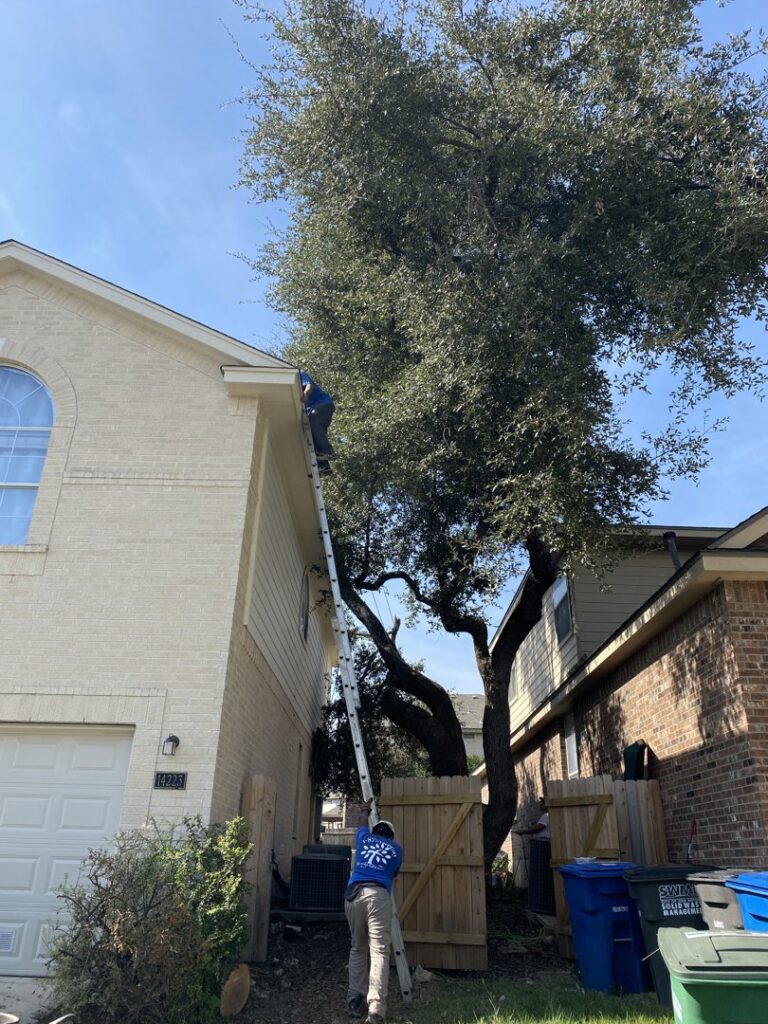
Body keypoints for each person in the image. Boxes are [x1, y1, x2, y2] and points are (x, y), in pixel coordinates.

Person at [344, 804, 403, 1022]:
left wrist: (365, 811)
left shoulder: (363, 838)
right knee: (378, 951)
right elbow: (394, 873)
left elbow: (360, 822)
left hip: (353, 895)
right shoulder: (396, 849)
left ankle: (354, 1000)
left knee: (357, 948)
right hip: (377, 896)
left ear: (375, 831)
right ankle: (376, 1007)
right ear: (391, 835)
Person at [300, 370, 335, 474]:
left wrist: (305, 395)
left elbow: (309, 385)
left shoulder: (299, 374)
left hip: (323, 404)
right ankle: (324, 466)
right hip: (316, 411)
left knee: (314, 419)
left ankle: (327, 451)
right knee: (313, 435)